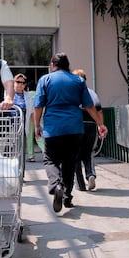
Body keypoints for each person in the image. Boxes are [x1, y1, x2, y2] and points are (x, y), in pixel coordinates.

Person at [33, 53, 107, 212]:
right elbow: (89, 105)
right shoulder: (78, 80)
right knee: (69, 163)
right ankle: (67, 197)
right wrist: (100, 124)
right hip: (74, 128)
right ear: (67, 64)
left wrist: (37, 126)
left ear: (53, 64)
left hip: (53, 128)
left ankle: (55, 185)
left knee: (50, 159)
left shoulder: (45, 80)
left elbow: (38, 106)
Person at [71, 69, 102, 191]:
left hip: (76, 125)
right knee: (88, 152)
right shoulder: (92, 93)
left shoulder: (71, 93)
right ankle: (90, 174)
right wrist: (101, 125)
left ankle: (80, 184)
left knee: (76, 155)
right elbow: (99, 110)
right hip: (91, 125)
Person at [12, 74, 41, 161]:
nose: (20, 84)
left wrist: (36, 126)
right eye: (18, 82)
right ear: (14, 82)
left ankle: (19, 161)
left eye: (23, 83)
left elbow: (32, 112)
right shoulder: (8, 93)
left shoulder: (28, 96)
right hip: (10, 124)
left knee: (21, 144)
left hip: (22, 123)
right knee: (11, 143)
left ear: (25, 85)